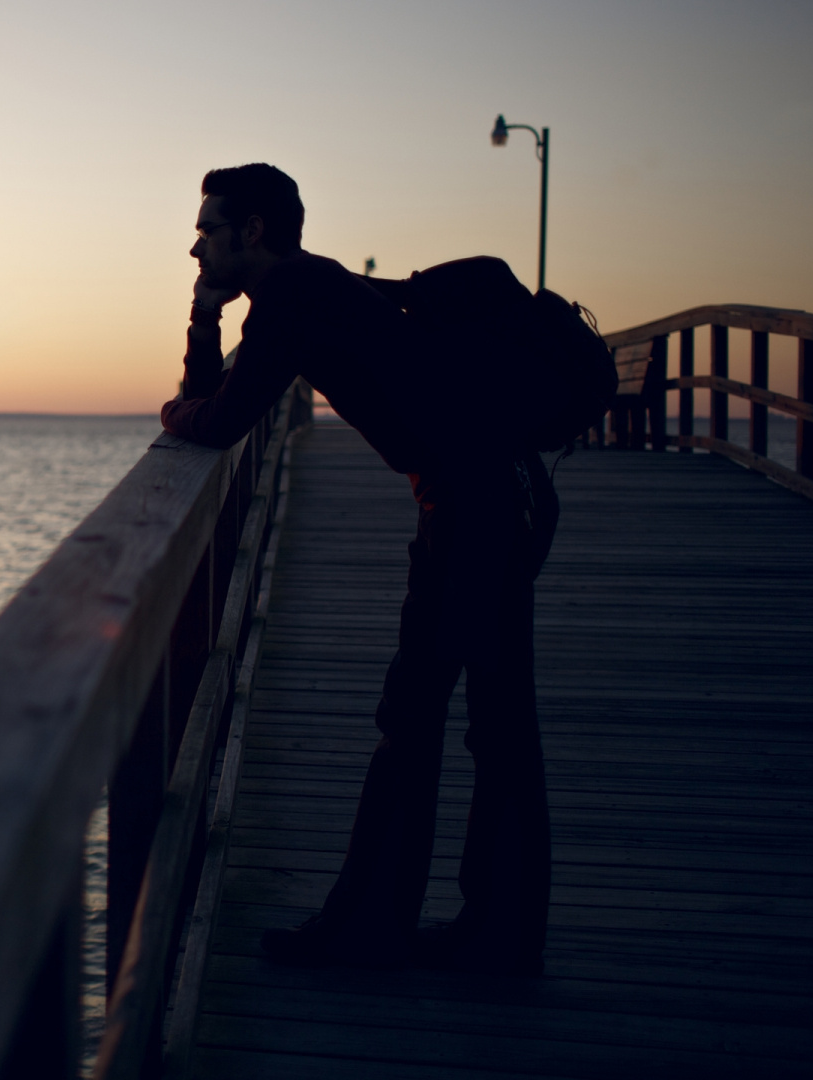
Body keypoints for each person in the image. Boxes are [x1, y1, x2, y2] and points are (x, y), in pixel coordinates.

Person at [161, 163, 556, 976]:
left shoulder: (292, 297)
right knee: (483, 720)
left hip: (476, 506)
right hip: (490, 494)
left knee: (429, 715)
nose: (195, 247)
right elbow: (221, 398)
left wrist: (171, 411)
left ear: (253, 231)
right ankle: (494, 934)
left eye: (207, 230)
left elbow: (220, 418)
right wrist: (204, 320)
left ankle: (384, 928)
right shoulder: (309, 285)